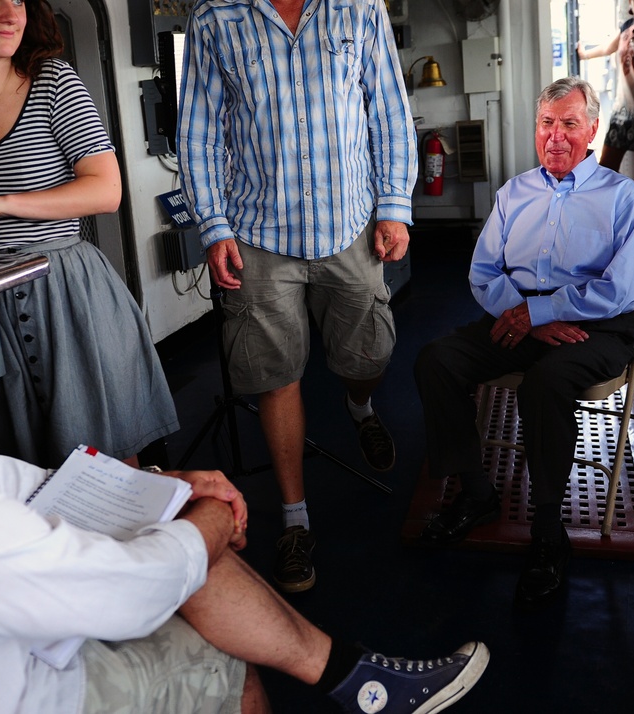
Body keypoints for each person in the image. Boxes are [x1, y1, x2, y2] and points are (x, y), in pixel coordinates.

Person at [0, 175, 489, 714]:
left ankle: (352, 677)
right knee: (209, 648)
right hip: (20, 695)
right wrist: (208, 525)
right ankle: (355, 682)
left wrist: (148, 480)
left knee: (155, 520)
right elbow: (130, 591)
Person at [177, 0, 417, 592]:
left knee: (369, 356)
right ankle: (294, 519)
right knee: (274, 375)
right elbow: (200, 129)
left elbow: (386, 108)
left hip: (350, 223)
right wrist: (213, 226)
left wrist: (394, 207)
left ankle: (359, 407)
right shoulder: (215, 18)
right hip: (259, 232)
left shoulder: (358, 8)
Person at [0, 0, 178, 468]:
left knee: (102, 459)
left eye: (20, 1)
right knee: (10, 465)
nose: (12, 14)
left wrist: (1, 204)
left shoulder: (54, 83)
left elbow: (105, 190)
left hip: (63, 291)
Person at [414, 77, 634, 608]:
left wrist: (541, 311)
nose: (556, 136)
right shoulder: (512, 192)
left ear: (591, 130)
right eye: (547, 124)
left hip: (598, 324)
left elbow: (620, 291)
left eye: (569, 124)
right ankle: (476, 493)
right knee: (437, 360)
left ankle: (547, 531)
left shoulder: (622, 198)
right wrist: (530, 317)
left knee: (545, 382)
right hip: (520, 316)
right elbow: (482, 273)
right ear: (535, 129)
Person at [577, 0, 634, 238]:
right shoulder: (626, 26)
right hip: (622, 108)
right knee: (606, 166)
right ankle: (601, 218)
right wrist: (584, 55)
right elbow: (608, 48)